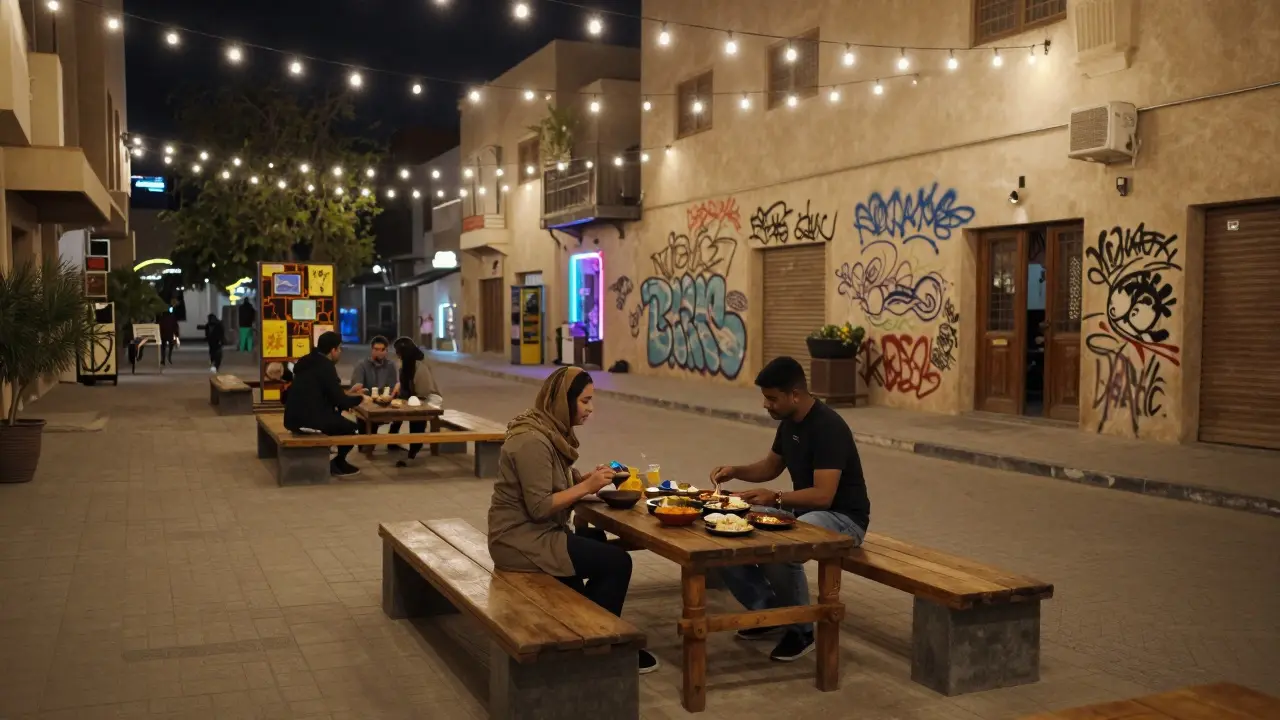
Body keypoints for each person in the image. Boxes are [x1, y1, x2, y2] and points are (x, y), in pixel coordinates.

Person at [487, 367, 659, 674]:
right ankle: (600, 649)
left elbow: (549, 486)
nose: (591, 409)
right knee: (617, 563)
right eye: (585, 401)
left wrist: (586, 481)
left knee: (595, 543)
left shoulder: (547, 430)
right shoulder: (532, 441)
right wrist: (586, 487)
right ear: (562, 401)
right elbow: (540, 507)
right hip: (519, 540)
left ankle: (585, 631)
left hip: (534, 534)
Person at [709, 356, 871, 663]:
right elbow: (770, 467)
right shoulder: (789, 423)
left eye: (772, 398)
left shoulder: (828, 427)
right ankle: (769, 613)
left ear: (794, 395)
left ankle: (801, 630)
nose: (766, 405)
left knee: (782, 546)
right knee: (729, 529)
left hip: (844, 519)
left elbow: (824, 496)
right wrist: (735, 471)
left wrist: (776, 498)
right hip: (804, 513)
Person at [284, 331, 373, 477]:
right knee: (351, 429)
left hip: (292, 417)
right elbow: (340, 401)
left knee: (337, 419)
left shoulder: (307, 361)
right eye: (339, 348)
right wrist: (361, 399)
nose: (340, 352)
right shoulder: (325, 367)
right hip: (308, 420)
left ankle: (334, 459)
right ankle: (338, 464)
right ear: (333, 350)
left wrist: (349, 394)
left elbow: (327, 393)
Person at [390, 336, 442, 468]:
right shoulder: (406, 363)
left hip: (428, 399)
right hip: (414, 398)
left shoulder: (420, 365)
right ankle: (392, 439)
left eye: (398, 352)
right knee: (397, 411)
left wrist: (408, 400)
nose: (397, 355)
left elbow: (423, 392)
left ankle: (412, 453)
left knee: (417, 418)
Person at [350, 336, 403, 454]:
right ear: (371, 350)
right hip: (367, 402)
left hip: (385, 400)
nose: (379, 352)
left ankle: (392, 440)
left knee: (402, 410)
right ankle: (366, 441)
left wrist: (391, 395)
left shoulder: (390, 365)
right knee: (365, 446)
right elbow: (357, 386)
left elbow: (393, 386)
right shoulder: (362, 365)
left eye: (382, 349)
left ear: (386, 351)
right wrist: (359, 390)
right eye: (376, 349)